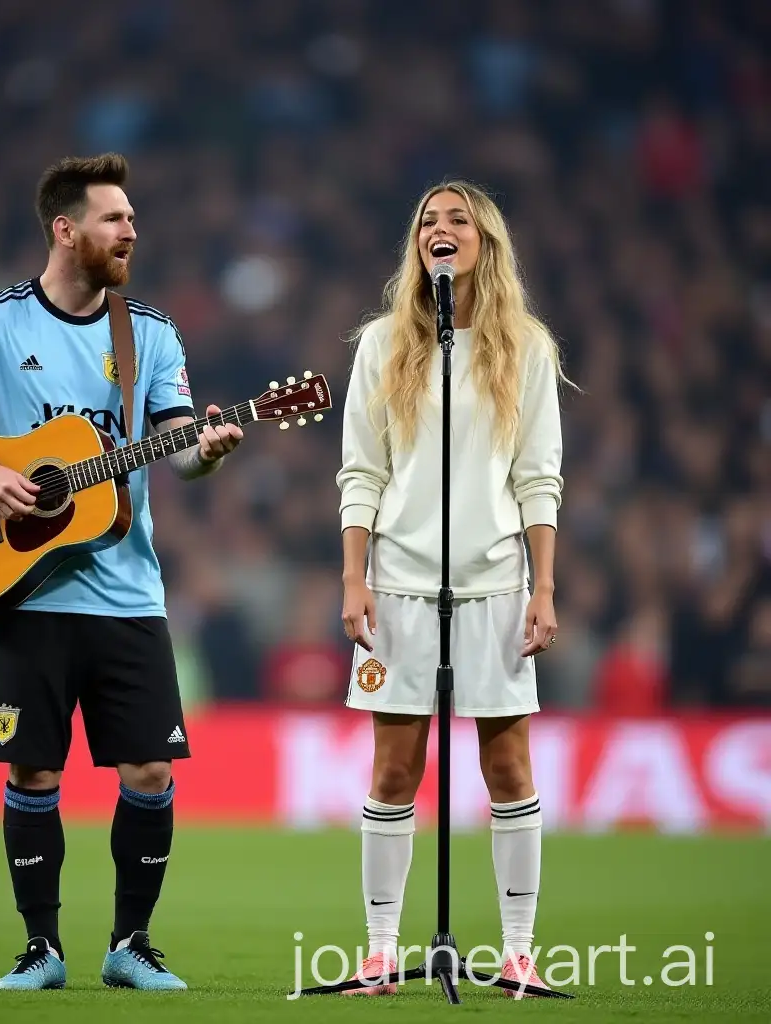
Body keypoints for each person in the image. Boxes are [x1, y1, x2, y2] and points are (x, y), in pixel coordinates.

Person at [0, 153, 243, 992]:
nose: (133, 231)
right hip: (29, 591)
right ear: (66, 229)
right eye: (116, 219)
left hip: (128, 594)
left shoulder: (151, 333)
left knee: (152, 771)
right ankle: (40, 950)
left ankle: (132, 944)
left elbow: (179, 448)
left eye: (131, 218)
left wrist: (209, 454)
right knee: (33, 771)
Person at [337, 180, 570, 996]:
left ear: (485, 242)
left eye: (458, 220)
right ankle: (378, 951)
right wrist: (354, 577)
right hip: (398, 585)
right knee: (393, 771)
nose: (442, 230)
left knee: (509, 769)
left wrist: (543, 586)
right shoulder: (382, 345)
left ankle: (517, 952)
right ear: (417, 245)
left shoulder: (526, 348)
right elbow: (361, 471)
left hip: (496, 586)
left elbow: (539, 477)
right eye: (429, 221)